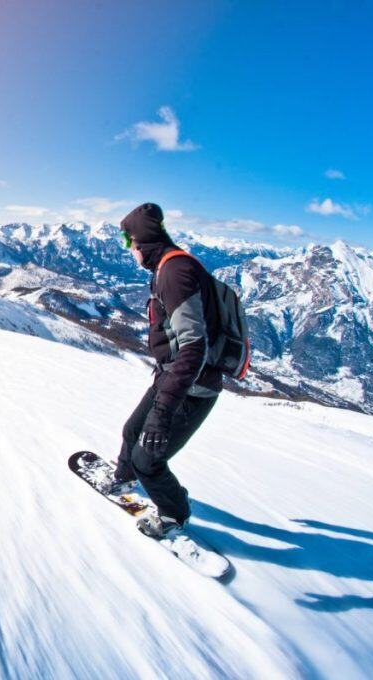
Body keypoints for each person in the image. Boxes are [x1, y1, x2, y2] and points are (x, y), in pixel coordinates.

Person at [109, 203, 222, 538]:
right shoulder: (167, 267)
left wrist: (162, 413)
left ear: (141, 241)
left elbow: (194, 347)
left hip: (193, 386)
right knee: (132, 431)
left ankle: (175, 514)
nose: (128, 250)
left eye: (128, 242)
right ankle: (125, 477)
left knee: (149, 459)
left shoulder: (175, 274)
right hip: (171, 377)